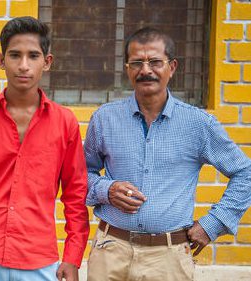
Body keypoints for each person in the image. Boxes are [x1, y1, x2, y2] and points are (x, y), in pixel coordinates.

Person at [84, 27, 251, 281]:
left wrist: (213, 224)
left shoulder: (198, 124)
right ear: (127, 68)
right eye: (137, 62)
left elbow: (245, 172)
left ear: (172, 67)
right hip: (111, 253)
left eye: (155, 62)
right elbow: (80, 175)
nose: (146, 70)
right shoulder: (104, 119)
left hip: (169, 258)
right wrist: (106, 190)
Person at [0, 16, 89, 281]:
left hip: (38, 258)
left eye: (33, 56)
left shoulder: (65, 123)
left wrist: (73, 258)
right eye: (15, 55)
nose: (23, 65)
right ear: (1, 60)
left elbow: (75, 193)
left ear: (47, 62)